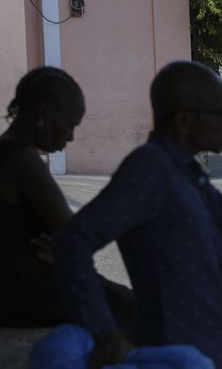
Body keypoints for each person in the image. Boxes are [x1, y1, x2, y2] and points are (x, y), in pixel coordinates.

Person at [54, 60, 222, 369]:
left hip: (217, 351)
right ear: (184, 121)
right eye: (218, 113)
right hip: (172, 354)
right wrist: (104, 332)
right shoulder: (149, 170)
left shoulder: (189, 177)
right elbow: (72, 241)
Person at [0, 67, 135, 328]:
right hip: (32, 296)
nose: (71, 136)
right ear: (45, 112)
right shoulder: (22, 158)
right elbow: (75, 237)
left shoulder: (7, 150)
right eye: (71, 123)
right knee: (143, 310)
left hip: (18, 290)